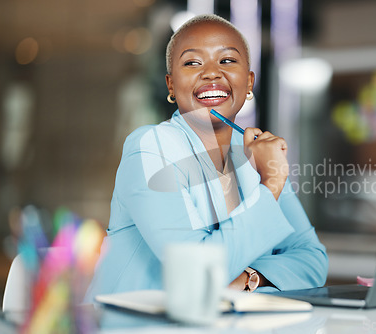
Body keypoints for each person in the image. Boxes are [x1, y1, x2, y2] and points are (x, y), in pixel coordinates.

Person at [84, 14, 328, 301]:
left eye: (227, 61)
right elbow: (195, 272)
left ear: (249, 82)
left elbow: (313, 261)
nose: (212, 73)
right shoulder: (149, 148)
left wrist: (248, 278)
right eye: (192, 63)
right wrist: (271, 182)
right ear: (171, 85)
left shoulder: (257, 153)